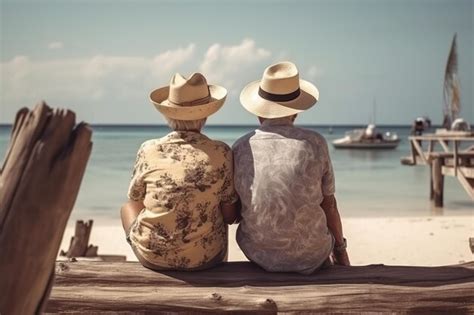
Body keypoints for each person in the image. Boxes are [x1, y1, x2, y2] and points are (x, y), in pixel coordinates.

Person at [233, 61, 350, 274]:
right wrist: (341, 250)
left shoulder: (241, 147)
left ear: (259, 111)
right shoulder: (315, 143)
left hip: (259, 255)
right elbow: (329, 204)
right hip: (312, 256)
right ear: (296, 112)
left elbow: (237, 209)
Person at [121, 72, 239, 270]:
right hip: (206, 260)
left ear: (167, 113)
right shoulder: (221, 152)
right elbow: (229, 216)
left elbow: (136, 198)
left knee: (127, 208)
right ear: (206, 114)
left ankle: (147, 245)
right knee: (218, 213)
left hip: (153, 258)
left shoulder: (149, 149)